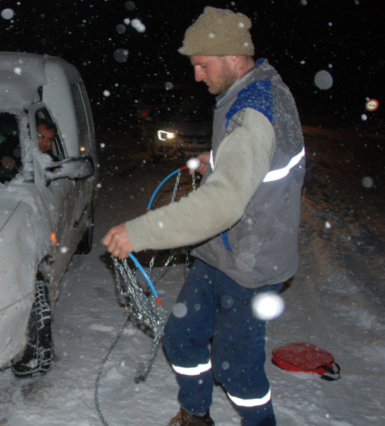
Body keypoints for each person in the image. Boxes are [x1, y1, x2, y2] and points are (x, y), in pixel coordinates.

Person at [102, 6, 305, 426]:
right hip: (221, 254)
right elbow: (250, 158)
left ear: (233, 57)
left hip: (248, 264)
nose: (197, 75)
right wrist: (214, 158)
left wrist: (138, 233)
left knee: (239, 372)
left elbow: (222, 204)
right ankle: (196, 417)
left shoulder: (254, 112)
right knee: (182, 338)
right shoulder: (253, 88)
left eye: (202, 65)